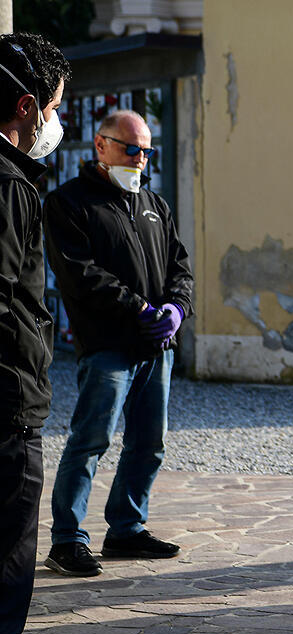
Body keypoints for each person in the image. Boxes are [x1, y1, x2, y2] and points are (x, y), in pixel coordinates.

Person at [43, 110, 194, 578]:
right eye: (131, 148)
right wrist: (140, 310)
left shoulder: (154, 204)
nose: (140, 158)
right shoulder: (69, 204)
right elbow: (80, 274)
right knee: (91, 440)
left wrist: (176, 310)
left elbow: (179, 268)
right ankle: (67, 539)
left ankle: (126, 528)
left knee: (149, 443)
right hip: (108, 345)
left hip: (156, 349)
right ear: (101, 147)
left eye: (146, 150)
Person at [0, 31, 70, 634]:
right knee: (5, 570)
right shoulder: (9, 184)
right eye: (53, 106)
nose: (57, 121)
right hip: (3, 415)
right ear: (26, 107)